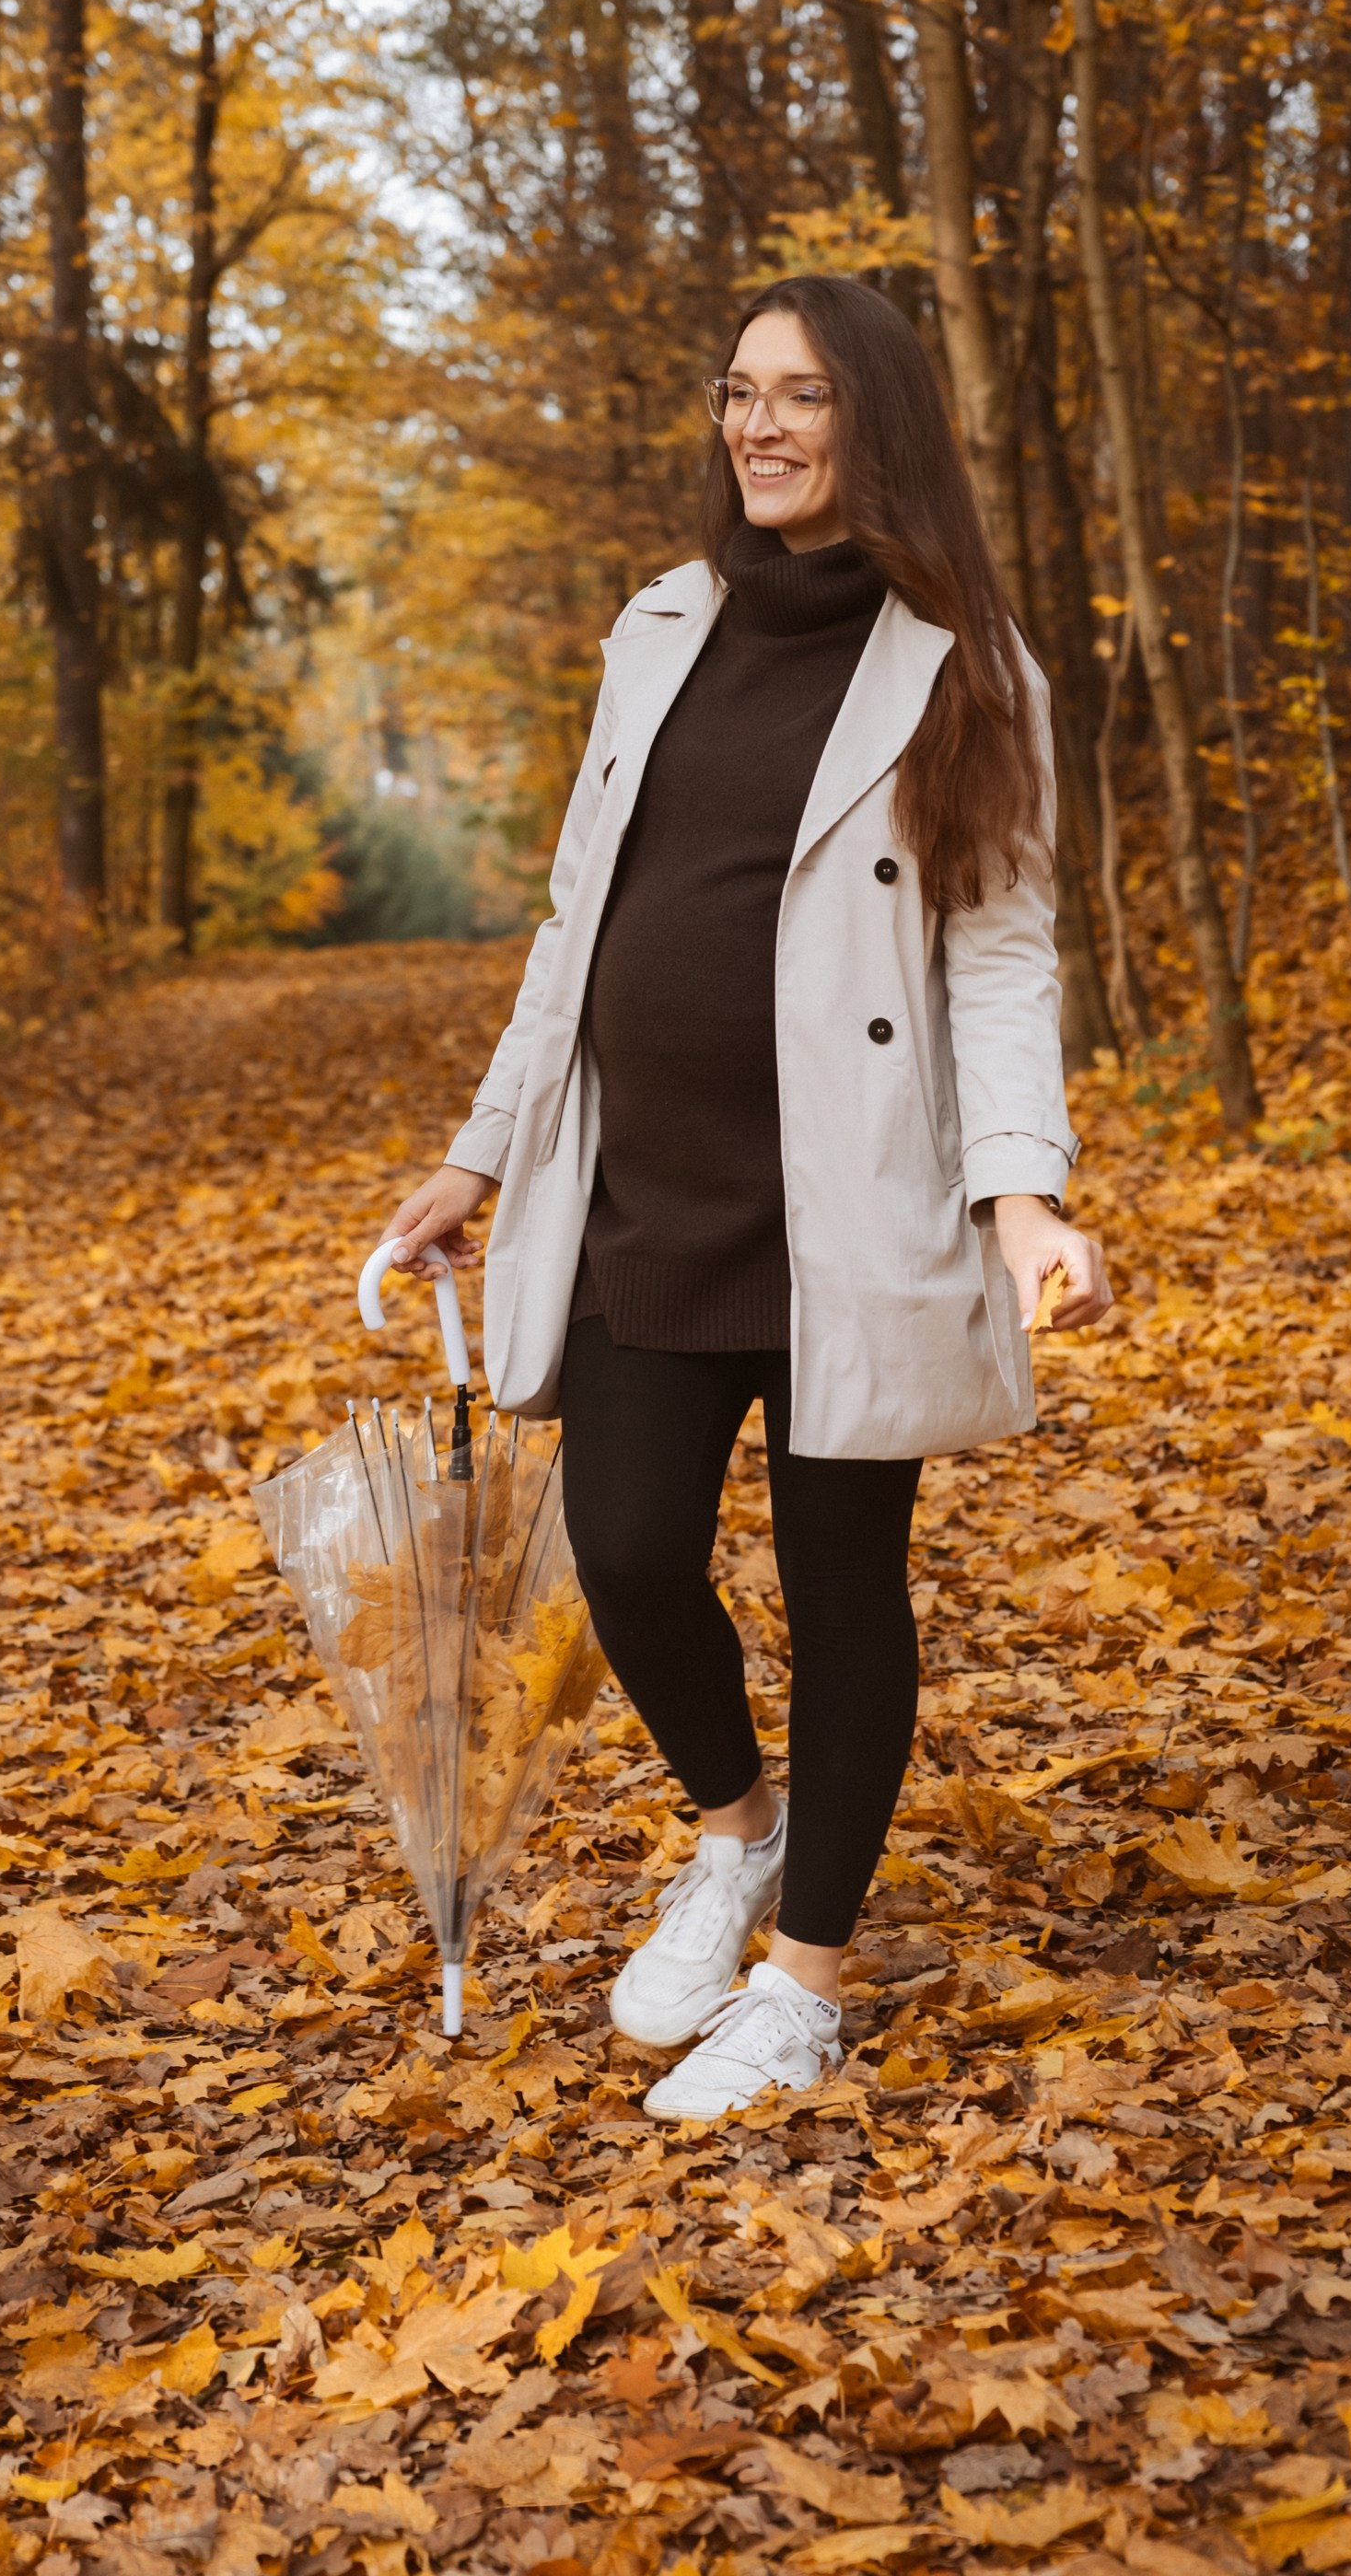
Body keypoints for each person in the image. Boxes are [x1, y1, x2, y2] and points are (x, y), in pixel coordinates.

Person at [377, 274, 1112, 2124]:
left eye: (797, 395)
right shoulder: (661, 625)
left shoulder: (969, 660)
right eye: (736, 394)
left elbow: (1002, 950)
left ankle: (807, 1978)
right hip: (644, 1181)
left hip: (849, 1199)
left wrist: (1021, 1198)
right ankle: (743, 1833)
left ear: (877, 420)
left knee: (840, 1580)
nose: (757, 425)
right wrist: (481, 1149)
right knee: (625, 1548)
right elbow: (575, 925)